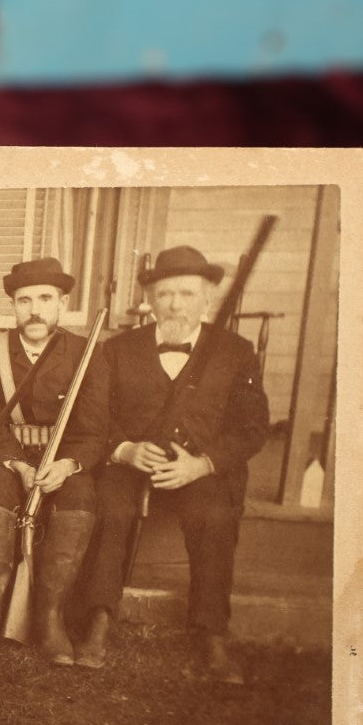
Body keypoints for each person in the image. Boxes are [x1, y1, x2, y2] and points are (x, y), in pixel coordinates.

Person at [79, 245, 271, 681]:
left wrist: (203, 464)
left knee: (216, 516)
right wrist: (123, 449)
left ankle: (212, 632)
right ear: (150, 300)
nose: (175, 304)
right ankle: (99, 620)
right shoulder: (118, 349)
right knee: (112, 510)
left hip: (198, 469)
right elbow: (92, 416)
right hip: (130, 465)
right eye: (165, 294)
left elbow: (252, 428)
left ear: (206, 298)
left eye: (186, 293)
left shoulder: (235, 351)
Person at [0, 258, 108, 660]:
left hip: (64, 463)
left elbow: (95, 430)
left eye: (45, 298)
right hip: (9, 460)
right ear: (13, 306)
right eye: (24, 300)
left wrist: (69, 464)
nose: (34, 309)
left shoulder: (88, 353)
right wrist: (18, 464)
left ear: (62, 303)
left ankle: (49, 616)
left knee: (80, 495)